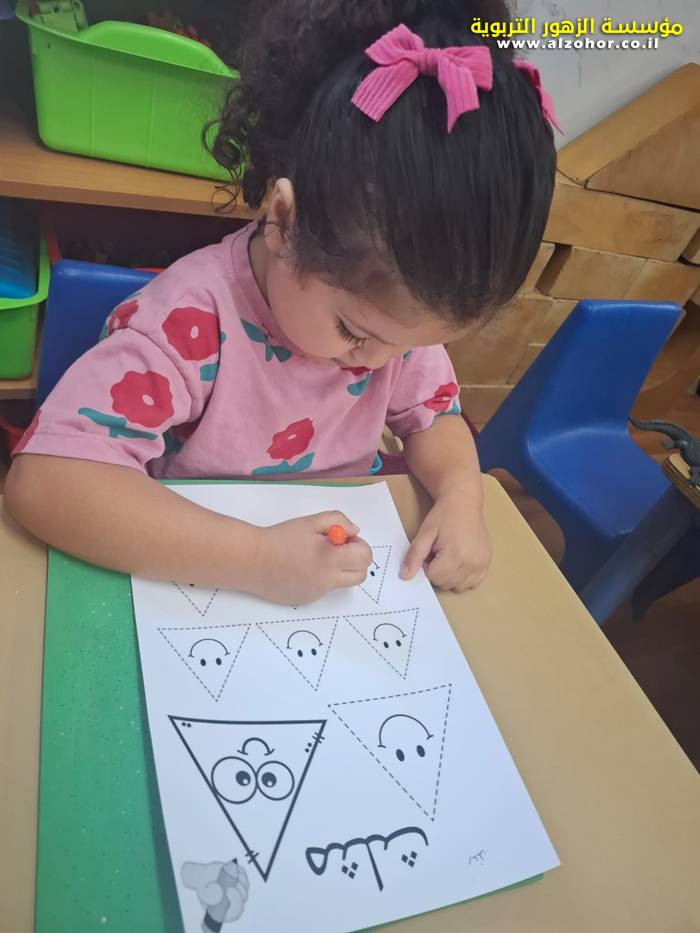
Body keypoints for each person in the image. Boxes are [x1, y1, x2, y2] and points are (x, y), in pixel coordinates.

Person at [6, 0, 557, 605]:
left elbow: (436, 415)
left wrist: (461, 495)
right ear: (284, 222)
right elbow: (45, 480)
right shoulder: (190, 322)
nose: (380, 363)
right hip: (190, 576)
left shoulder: (391, 328)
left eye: (414, 345)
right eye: (354, 333)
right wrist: (257, 559)